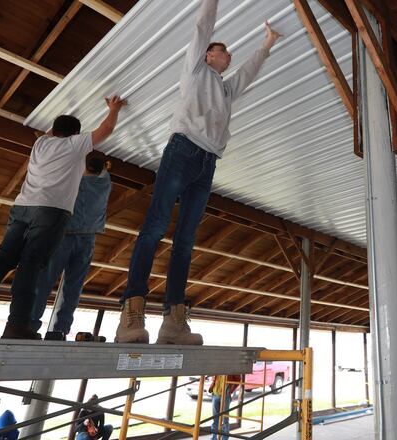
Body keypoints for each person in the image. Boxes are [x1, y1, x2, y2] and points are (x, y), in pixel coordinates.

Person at [115, 0, 282, 345]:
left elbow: (248, 73)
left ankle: (174, 321)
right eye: (224, 52)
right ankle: (132, 315)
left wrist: (267, 44)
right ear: (208, 56)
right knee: (155, 227)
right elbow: (201, 29)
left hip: (207, 162)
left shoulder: (223, 88)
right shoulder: (195, 69)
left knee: (186, 240)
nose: (230, 56)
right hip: (183, 150)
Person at [0, 96, 127, 340]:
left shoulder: (40, 144)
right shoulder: (74, 145)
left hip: (23, 208)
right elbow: (106, 130)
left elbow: (52, 130)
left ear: (55, 130)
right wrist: (114, 109)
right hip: (51, 212)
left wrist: (68, 106)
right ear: (74, 135)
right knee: (30, 267)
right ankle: (17, 326)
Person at [30, 155, 112, 338]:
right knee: (73, 288)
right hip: (88, 241)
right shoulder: (105, 183)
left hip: (65, 237)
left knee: (44, 282)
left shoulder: (77, 182)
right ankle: (60, 330)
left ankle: (30, 325)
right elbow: (102, 169)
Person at [209, 374, 240, 440]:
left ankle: (225, 438)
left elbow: (238, 379)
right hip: (215, 394)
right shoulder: (217, 367)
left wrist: (230, 390)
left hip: (225, 396)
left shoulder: (231, 368)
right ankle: (213, 437)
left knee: (225, 418)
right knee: (215, 418)